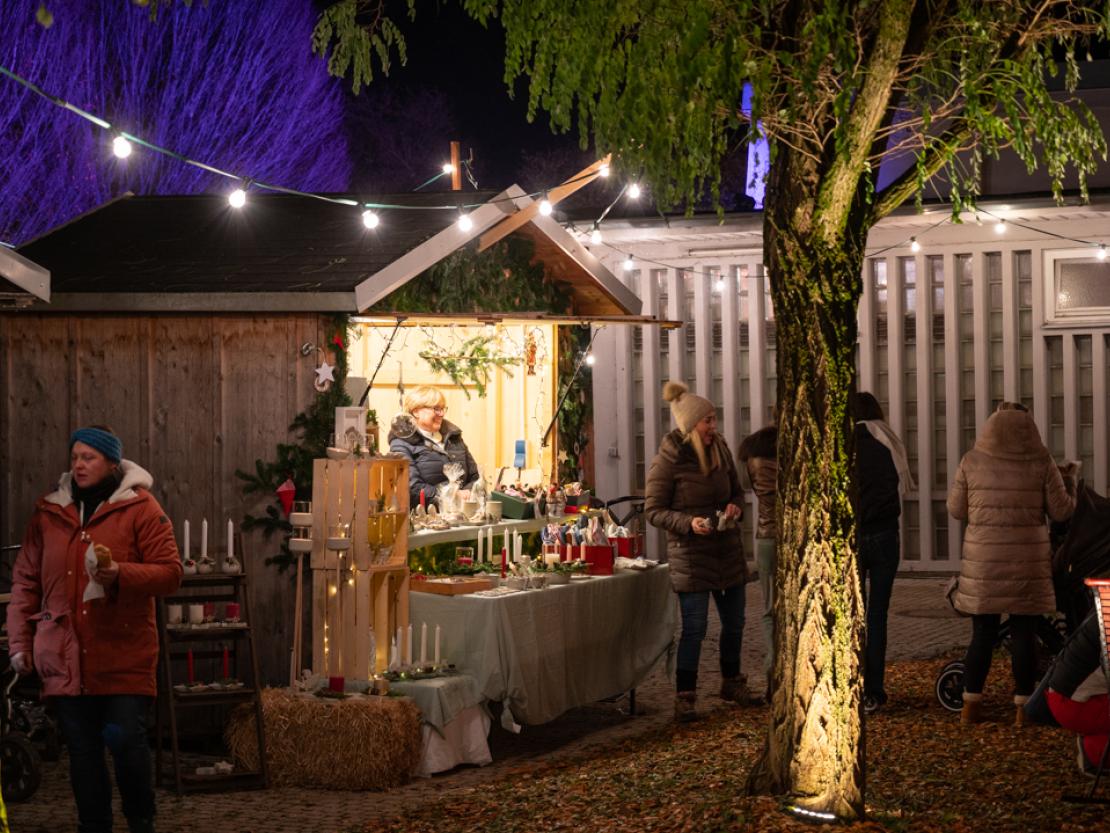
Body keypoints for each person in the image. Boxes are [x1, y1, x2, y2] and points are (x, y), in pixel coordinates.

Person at [7, 426, 183, 833]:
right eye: (75, 457)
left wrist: (120, 572)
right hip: (65, 657)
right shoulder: (49, 514)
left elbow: (171, 573)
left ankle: (141, 821)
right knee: (83, 753)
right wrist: (20, 642)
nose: (79, 464)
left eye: (89, 457)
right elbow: (25, 583)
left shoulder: (139, 508)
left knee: (125, 743)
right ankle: (94, 825)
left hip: (122, 653)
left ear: (111, 463)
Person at [948, 401, 1077, 726]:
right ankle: (1022, 707)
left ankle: (970, 705)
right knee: (1023, 633)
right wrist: (1070, 484)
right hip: (1027, 563)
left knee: (982, 634)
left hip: (984, 563)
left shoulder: (971, 461)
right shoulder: (1041, 462)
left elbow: (956, 510)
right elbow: (1062, 512)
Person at [645, 381, 750, 722]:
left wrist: (735, 509)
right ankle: (685, 696)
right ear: (691, 425)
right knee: (695, 628)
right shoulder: (669, 460)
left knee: (734, 624)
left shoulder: (720, 449)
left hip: (727, 551)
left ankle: (731, 682)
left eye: (714, 418)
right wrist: (688, 523)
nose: (713, 426)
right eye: (707, 420)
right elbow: (654, 510)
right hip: (691, 557)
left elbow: (737, 492)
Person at [851, 391, 914, 714]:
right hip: (886, 536)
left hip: (855, 538)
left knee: (854, 617)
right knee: (877, 616)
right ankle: (875, 690)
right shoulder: (890, 443)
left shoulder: (844, 447)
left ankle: (854, 685)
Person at [389, 386, 479, 509]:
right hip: (427, 518)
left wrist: (468, 493)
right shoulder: (401, 443)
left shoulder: (454, 438)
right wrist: (451, 496)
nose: (441, 414)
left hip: (466, 513)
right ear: (416, 412)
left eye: (443, 409)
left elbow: (475, 478)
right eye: (436, 409)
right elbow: (413, 488)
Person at [738, 423, 777, 698]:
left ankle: (773, 666)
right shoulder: (792, 455)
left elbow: (742, 486)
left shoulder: (751, 460)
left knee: (769, 609)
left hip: (766, 537)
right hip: (795, 538)